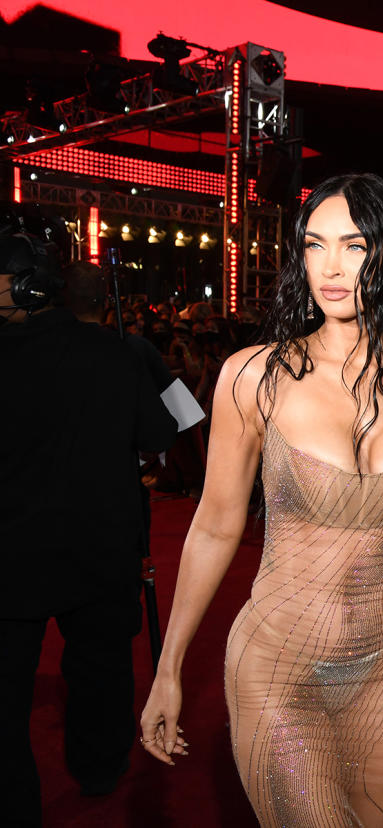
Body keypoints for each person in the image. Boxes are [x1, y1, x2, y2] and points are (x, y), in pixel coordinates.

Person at [137, 173, 383, 826]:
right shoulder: (253, 377)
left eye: (353, 246)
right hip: (279, 669)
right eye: (314, 245)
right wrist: (169, 667)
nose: (329, 266)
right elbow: (213, 528)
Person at [0, 210, 177, 827]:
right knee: (101, 672)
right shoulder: (124, 352)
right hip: (101, 550)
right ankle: (102, 769)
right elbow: (169, 429)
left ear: (31, 287)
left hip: (13, 558)